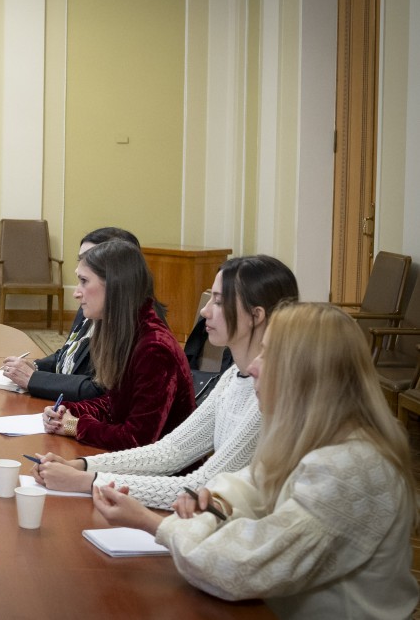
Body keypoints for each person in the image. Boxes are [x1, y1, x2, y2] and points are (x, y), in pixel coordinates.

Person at [93, 302, 418, 618]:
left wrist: (153, 523)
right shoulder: (309, 434)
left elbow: (239, 567)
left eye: (269, 354)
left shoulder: (350, 468)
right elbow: (241, 489)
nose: (253, 367)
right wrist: (215, 505)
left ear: (305, 374)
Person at [32, 255, 298, 508]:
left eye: (218, 301)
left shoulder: (269, 393)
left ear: (256, 315)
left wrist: (88, 482)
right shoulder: (232, 377)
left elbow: (204, 487)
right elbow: (170, 450)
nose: (205, 311)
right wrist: (83, 466)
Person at [40, 239, 195, 450]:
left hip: (166, 475)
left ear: (114, 286)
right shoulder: (125, 330)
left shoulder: (154, 349)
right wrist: (69, 411)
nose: (77, 292)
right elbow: (114, 405)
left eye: (84, 281)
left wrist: (75, 426)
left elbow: (138, 438)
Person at [1, 227, 141, 402]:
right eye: (80, 259)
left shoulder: (134, 323)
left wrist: (33, 379)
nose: (81, 267)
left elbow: (100, 390)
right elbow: (68, 353)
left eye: (89, 259)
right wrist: (35, 367)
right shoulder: (92, 302)